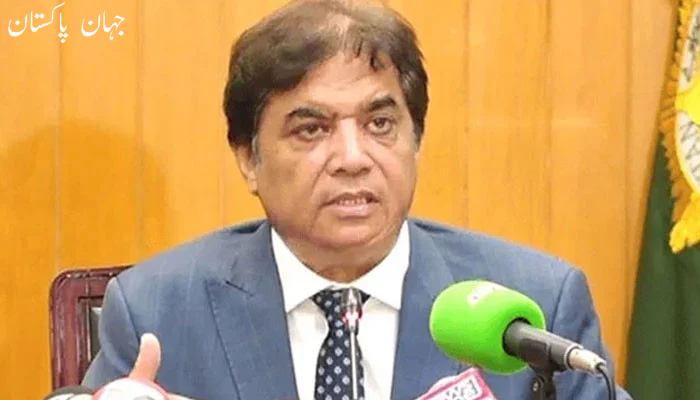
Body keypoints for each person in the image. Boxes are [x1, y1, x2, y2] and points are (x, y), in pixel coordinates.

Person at [82, 0, 632, 399]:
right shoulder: (158, 312)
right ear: (248, 157)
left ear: (416, 139)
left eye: (380, 123)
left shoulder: (535, 306)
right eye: (311, 129)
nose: (352, 157)